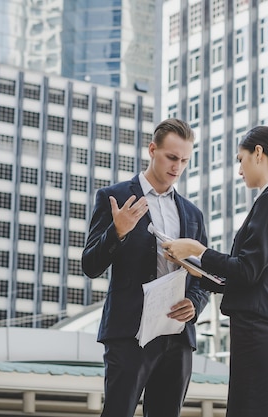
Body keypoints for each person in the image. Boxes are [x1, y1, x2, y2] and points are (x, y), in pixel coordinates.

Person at [162, 126, 268, 417]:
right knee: (249, 406)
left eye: (241, 159)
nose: (240, 170)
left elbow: (247, 270)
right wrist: (199, 272)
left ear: (258, 153)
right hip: (258, 321)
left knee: (248, 408)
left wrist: (197, 250)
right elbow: (245, 275)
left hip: (258, 323)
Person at [82, 118, 209, 417]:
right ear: (153, 150)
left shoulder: (192, 213)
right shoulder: (114, 198)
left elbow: (203, 274)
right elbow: (90, 265)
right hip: (129, 333)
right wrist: (118, 231)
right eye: (172, 157)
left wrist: (195, 304)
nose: (177, 167)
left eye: (185, 160)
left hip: (177, 335)